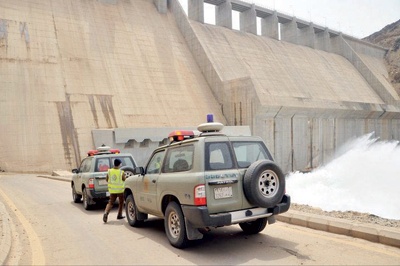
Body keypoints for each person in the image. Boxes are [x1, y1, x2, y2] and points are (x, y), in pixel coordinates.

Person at [103, 158, 126, 223]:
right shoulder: (121, 172)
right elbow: (124, 179)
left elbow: (107, 179)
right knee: (121, 202)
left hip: (112, 190)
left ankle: (106, 213)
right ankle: (119, 215)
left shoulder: (109, 171)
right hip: (120, 191)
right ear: (119, 164)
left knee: (110, 202)